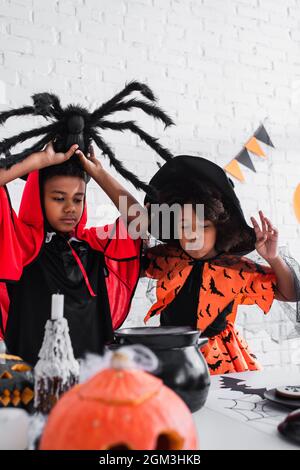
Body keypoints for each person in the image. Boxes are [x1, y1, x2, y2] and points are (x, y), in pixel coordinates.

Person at [142, 155, 300, 374]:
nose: (192, 236)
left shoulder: (235, 268)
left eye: (203, 226)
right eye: (184, 227)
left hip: (219, 357)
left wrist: (273, 259)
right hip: (170, 352)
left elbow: (291, 293)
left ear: (220, 228)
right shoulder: (166, 258)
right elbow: (125, 266)